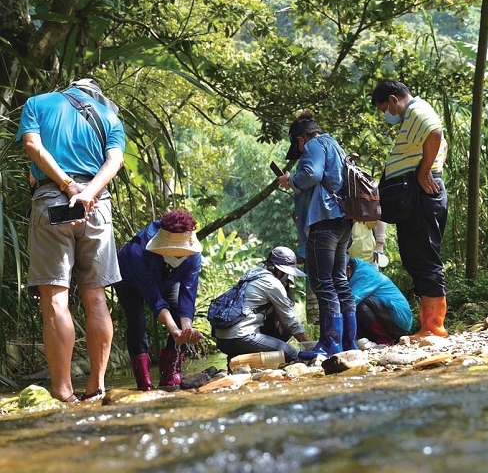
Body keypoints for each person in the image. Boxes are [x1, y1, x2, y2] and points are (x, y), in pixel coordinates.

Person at [16, 78, 125, 403]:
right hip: (96, 207)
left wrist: (67, 186)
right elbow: (115, 161)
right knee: (96, 299)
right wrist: (89, 193)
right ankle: (96, 386)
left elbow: (33, 146)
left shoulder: (38, 103)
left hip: (53, 202)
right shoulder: (110, 116)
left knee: (55, 301)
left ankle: (63, 391)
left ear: (69, 89)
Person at [371, 80, 449, 338]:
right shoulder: (412, 116)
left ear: (394, 100)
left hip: (421, 196)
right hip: (415, 196)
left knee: (424, 256)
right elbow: (440, 145)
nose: (386, 114)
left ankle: (434, 326)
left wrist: (425, 171)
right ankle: (427, 324)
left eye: (384, 108)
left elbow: (435, 133)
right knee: (415, 256)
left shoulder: (417, 110)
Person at [277, 110, 357, 360]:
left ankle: (330, 344)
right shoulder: (335, 144)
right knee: (339, 281)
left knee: (322, 282)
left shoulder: (313, 145)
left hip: (323, 220)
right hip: (343, 221)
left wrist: (291, 181)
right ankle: (349, 343)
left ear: (301, 140)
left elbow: (312, 174)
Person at [114, 210, 204, 391]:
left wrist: (185, 329)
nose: (180, 255)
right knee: (137, 322)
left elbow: (188, 294)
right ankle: (144, 383)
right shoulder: (138, 252)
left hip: (167, 279)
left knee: (179, 312)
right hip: (129, 279)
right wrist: (173, 330)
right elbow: (154, 298)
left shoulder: (194, 254)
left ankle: (170, 376)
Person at [213, 246, 312, 368]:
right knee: (290, 353)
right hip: (240, 337)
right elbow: (291, 321)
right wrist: (309, 347)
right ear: (280, 271)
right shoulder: (272, 283)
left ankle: (237, 361)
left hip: (222, 340)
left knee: (284, 331)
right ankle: (250, 363)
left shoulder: (253, 273)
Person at [347, 257, 412, 345]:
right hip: (386, 315)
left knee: (356, 303)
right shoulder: (356, 272)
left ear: (348, 268)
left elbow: (351, 301)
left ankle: (384, 339)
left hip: (398, 321)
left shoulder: (366, 273)